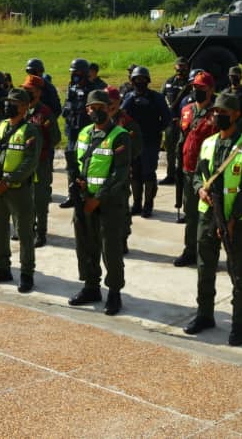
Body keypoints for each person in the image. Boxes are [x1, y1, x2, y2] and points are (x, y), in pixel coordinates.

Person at [183, 93, 242, 346]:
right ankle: (204, 315)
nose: (217, 116)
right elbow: (197, 175)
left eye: (223, 112)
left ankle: (239, 324)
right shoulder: (208, 142)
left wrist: (231, 219)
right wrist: (200, 190)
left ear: (236, 114)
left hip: (234, 220)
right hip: (207, 216)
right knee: (205, 268)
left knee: (238, 273)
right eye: (215, 111)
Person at [67, 89, 131, 315]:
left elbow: (119, 173)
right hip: (84, 200)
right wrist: (77, 184)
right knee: (85, 245)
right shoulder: (84, 133)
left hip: (109, 202)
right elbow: (78, 163)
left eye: (101, 108)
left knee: (110, 249)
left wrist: (98, 198)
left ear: (109, 109)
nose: (96, 111)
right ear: (87, 110)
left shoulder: (119, 136)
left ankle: (114, 292)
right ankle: (91, 286)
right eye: (92, 108)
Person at [0, 88, 42, 293]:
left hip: (18, 189)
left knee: (24, 233)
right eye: (7, 102)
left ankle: (26, 274)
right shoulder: (0, 126)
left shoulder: (30, 131)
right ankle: (2, 268)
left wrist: (7, 181)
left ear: (24, 107)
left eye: (13, 103)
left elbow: (30, 162)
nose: (8, 105)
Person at [173, 71, 219, 267]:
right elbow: (182, 139)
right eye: (194, 87)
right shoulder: (187, 110)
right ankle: (190, 250)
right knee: (191, 214)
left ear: (211, 90)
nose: (196, 90)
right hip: (188, 170)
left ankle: (208, 254)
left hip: (207, 174)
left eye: (201, 88)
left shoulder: (217, 114)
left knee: (208, 217)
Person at [122, 66, 171, 218]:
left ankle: (148, 205)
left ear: (148, 81)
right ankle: (137, 204)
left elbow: (167, 118)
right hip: (133, 141)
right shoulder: (129, 97)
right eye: (137, 79)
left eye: (142, 79)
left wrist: (156, 130)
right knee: (134, 174)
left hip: (151, 141)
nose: (140, 82)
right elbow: (121, 114)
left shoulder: (157, 97)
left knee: (148, 173)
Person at [24, 74, 60, 247]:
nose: (26, 92)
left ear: (38, 92)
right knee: (25, 198)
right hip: (24, 162)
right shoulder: (21, 110)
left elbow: (55, 138)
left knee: (40, 198)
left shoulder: (45, 113)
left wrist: (39, 146)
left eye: (29, 90)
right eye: (25, 89)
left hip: (40, 162)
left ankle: (41, 233)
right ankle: (27, 228)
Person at [106, 85, 141, 253]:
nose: (109, 106)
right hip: (101, 173)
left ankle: (122, 239)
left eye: (112, 102)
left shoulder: (128, 123)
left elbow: (137, 148)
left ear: (119, 102)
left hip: (120, 173)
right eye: (105, 102)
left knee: (121, 209)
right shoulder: (98, 122)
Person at [60, 58, 96, 209]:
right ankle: (72, 195)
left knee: (87, 165)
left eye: (77, 73)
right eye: (73, 72)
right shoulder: (72, 88)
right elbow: (65, 108)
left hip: (87, 134)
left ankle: (87, 195)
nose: (74, 75)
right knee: (71, 166)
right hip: (72, 133)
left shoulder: (93, 90)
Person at [160, 58, 191, 186]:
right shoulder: (168, 82)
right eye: (178, 68)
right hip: (170, 121)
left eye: (183, 68)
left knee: (183, 149)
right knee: (170, 149)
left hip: (185, 122)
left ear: (187, 68)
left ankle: (182, 175)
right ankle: (170, 175)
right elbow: (161, 99)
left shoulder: (190, 84)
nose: (180, 71)